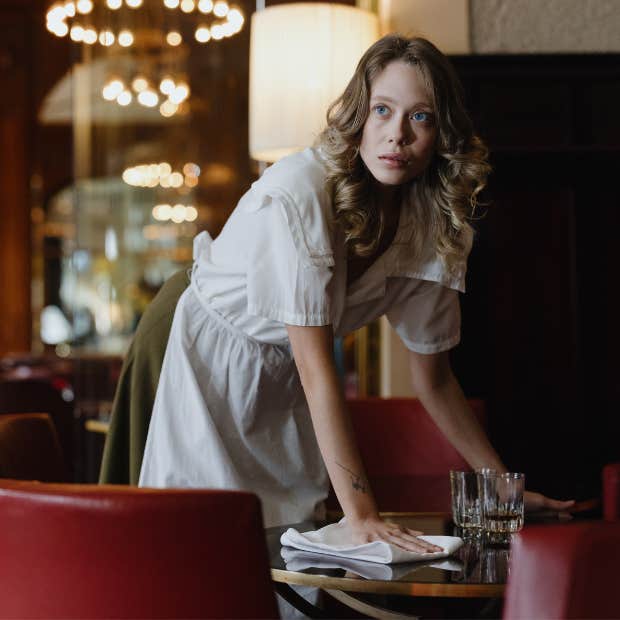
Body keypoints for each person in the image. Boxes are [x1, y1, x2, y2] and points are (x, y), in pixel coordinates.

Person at [139, 35, 573, 550]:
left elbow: (434, 381)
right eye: (382, 110)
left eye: (421, 117)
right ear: (357, 117)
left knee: (289, 546)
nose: (397, 136)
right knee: (199, 545)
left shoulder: (436, 224)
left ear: (442, 133)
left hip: (283, 374)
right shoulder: (299, 194)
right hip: (196, 350)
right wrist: (363, 515)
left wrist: (502, 488)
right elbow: (317, 368)